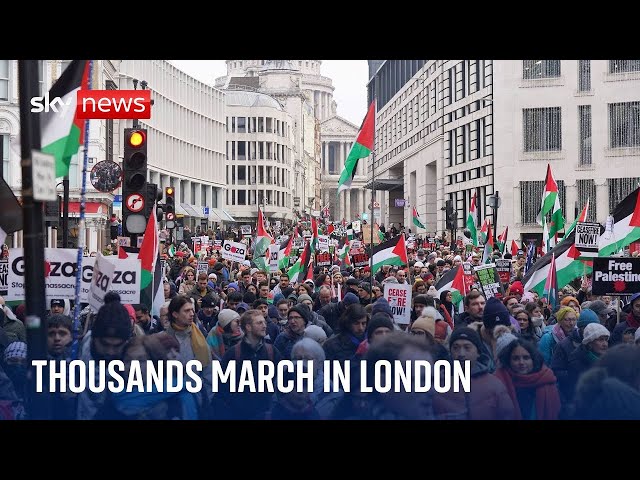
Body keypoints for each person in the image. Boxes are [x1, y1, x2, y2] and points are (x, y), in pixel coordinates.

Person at [433, 327, 516, 420]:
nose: (461, 353)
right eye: (456, 348)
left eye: (467, 347)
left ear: (478, 352)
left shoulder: (494, 385)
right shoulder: (437, 383)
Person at [494, 338, 561, 420]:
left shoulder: (546, 380)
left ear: (533, 359)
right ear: (509, 361)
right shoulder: (499, 381)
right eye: (516, 358)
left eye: (526, 358)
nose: (521, 362)